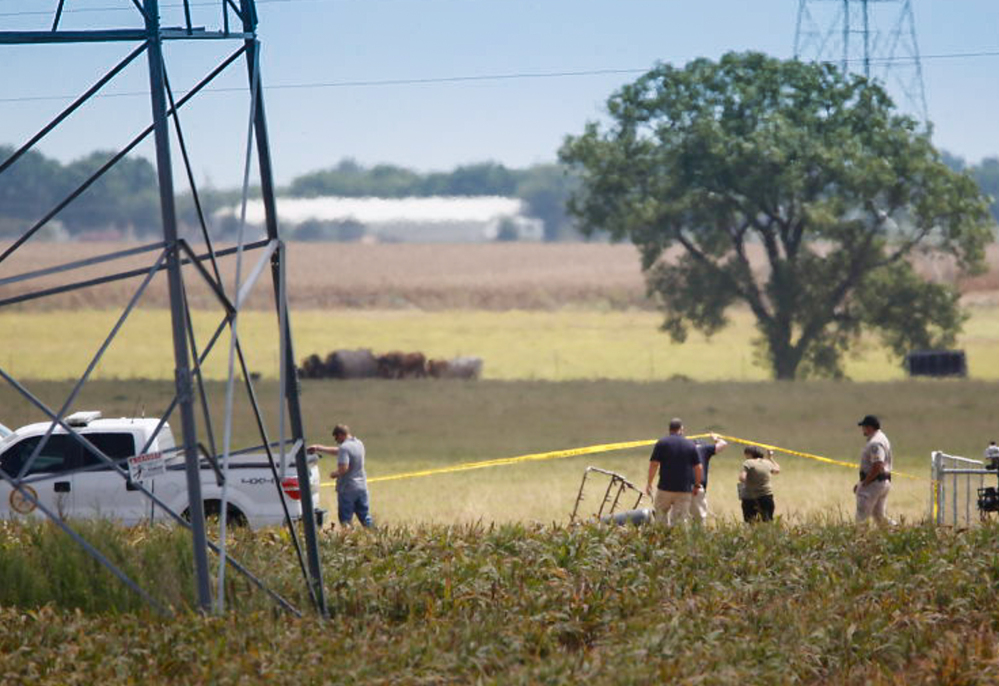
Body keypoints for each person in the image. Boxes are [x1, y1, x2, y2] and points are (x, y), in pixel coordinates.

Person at [307, 424, 373, 528]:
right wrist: (318, 448)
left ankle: (347, 538)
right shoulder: (358, 443)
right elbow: (338, 451)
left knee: (345, 519)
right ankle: (373, 534)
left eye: (336, 437)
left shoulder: (344, 448)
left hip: (348, 488)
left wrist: (334, 474)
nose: (336, 440)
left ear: (341, 435)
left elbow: (344, 468)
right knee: (365, 516)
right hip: (362, 487)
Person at [645, 417, 703, 525]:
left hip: (664, 488)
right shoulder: (690, 445)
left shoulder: (662, 443)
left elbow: (654, 464)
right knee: (680, 522)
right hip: (683, 489)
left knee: (660, 519)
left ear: (669, 429)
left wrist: (649, 483)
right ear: (681, 429)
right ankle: (677, 541)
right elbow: (698, 467)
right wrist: (697, 485)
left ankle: (662, 541)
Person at [854, 414, 893, 526]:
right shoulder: (883, 438)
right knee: (879, 516)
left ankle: (859, 540)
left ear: (870, 427)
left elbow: (877, 465)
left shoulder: (875, 443)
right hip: (882, 482)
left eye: (864, 427)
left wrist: (865, 483)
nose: (863, 429)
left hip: (873, 484)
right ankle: (896, 531)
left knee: (861, 516)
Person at [689, 433, 728, 523]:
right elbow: (723, 444)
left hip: (681, 488)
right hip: (697, 487)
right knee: (699, 519)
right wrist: (716, 439)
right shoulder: (704, 449)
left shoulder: (686, 450)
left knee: (682, 518)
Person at [739, 446, 780, 522]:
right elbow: (777, 470)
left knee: (751, 522)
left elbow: (742, 478)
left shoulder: (748, 462)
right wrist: (770, 458)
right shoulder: (767, 463)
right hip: (767, 496)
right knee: (767, 521)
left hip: (750, 498)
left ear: (749, 454)